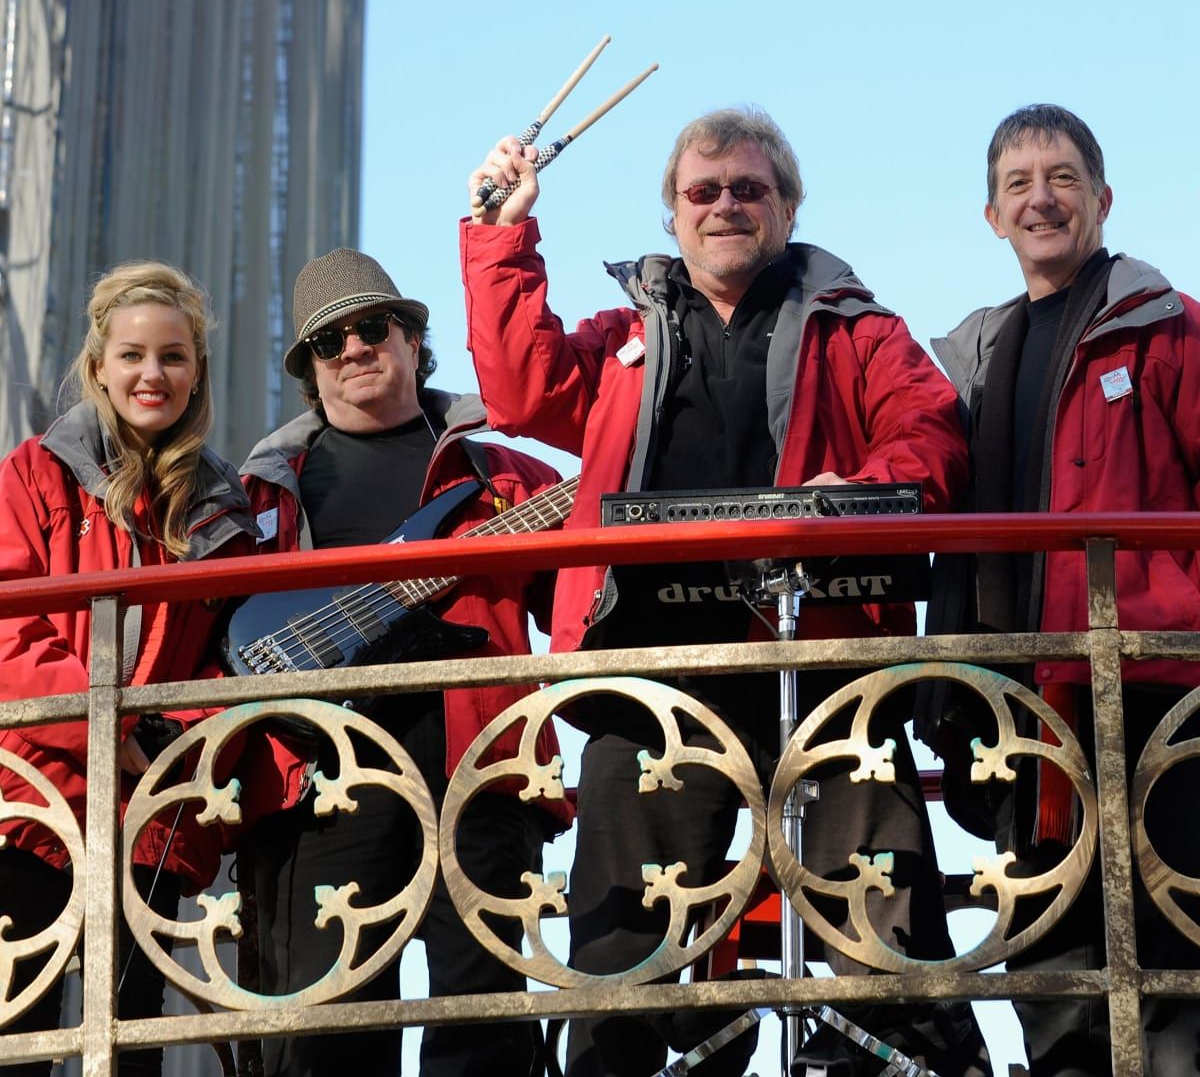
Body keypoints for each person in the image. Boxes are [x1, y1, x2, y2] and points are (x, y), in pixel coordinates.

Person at [461, 108, 991, 1077]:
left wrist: (861, 493)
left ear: (789, 205)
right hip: (658, 663)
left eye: (749, 189)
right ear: (672, 216)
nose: (725, 206)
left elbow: (933, 431)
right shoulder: (629, 335)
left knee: (884, 889)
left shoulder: (857, 330)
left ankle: (910, 1057)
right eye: (702, 192)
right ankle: (616, 1063)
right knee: (622, 907)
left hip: (819, 647)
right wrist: (502, 235)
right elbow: (523, 388)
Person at [237, 247, 566, 1077]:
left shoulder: (497, 471)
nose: (352, 348)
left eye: (371, 326)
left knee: (482, 1018)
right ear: (312, 371)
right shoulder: (264, 493)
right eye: (328, 342)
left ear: (414, 339)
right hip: (324, 776)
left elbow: (582, 602)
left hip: (478, 767)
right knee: (325, 1029)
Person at [924, 103, 1200, 1076]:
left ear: (1104, 199)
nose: (1042, 198)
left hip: (1157, 694)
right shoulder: (966, 362)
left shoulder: (1168, 331)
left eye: (1064, 177)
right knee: (1050, 967)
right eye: (1018, 184)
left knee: (1175, 970)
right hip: (1017, 706)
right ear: (992, 218)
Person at [0, 262, 261, 1075]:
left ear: (197, 372)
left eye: (174, 357)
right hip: (32, 803)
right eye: (134, 355)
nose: (153, 374)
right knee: (16, 1034)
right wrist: (108, 727)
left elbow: (233, 661)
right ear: (99, 367)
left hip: (149, 812)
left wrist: (170, 741)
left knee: (133, 1039)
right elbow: (10, 632)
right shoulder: (34, 472)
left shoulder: (223, 509)